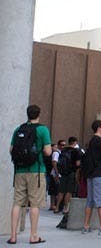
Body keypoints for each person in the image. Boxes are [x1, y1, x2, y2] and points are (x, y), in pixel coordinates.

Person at [8, 104, 52, 245]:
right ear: (39, 114)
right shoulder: (42, 129)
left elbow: (11, 150)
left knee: (17, 203)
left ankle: (13, 236)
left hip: (20, 171)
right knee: (34, 204)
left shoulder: (18, 129)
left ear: (27, 114)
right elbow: (48, 152)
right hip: (36, 170)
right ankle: (33, 236)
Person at [55, 136, 82, 215]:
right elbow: (77, 163)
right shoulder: (76, 151)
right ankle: (66, 208)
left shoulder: (63, 151)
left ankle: (57, 207)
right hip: (71, 173)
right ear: (75, 142)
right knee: (69, 191)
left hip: (63, 173)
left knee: (61, 191)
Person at [50, 140, 63, 213]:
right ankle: (54, 205)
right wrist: (57, 173)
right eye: (61, 145)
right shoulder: (56, 153)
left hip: (56, 173)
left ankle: (53, 205)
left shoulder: (60, 153)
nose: (62, 146)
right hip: (56, 174)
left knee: (55, 190)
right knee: (56, 190)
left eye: (64, 145)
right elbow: (54, 162)